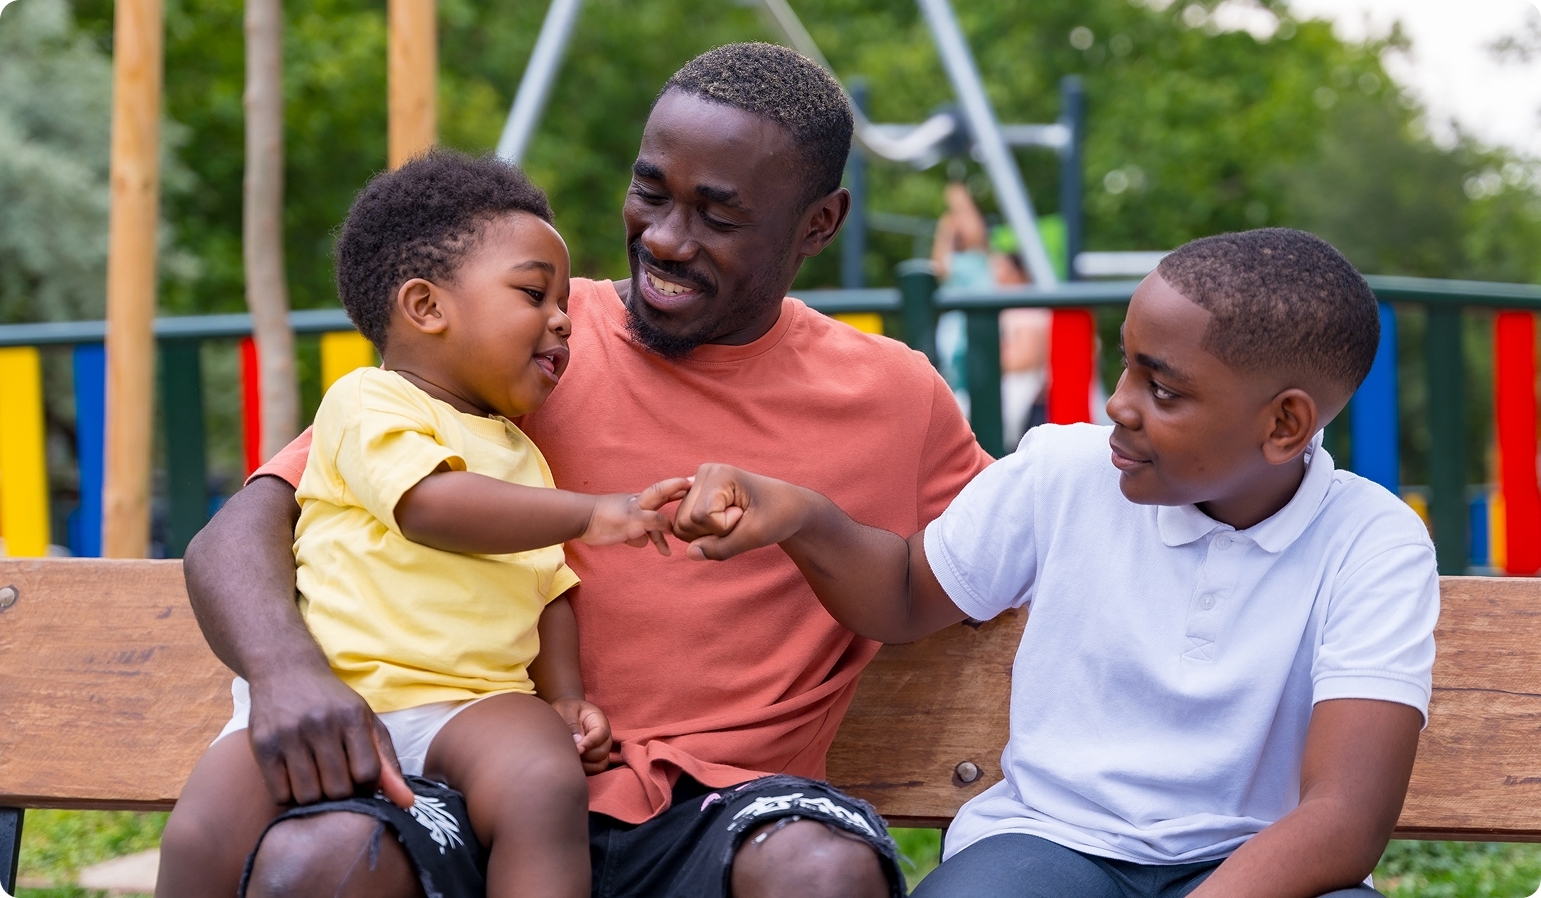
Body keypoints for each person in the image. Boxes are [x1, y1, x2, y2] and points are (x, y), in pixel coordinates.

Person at [166, 42, 992, 898]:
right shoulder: (518, 343)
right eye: (649, 193)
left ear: (817, 225)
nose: (666, 240)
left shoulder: (893, 396)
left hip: (726, 806)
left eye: (717, 216)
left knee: (820, 871)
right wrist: (285, 672)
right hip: (474, 793)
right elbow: (243, 530)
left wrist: (808, 520)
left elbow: (999, 555)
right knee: (320, 864)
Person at [671, 228, 1438, 898]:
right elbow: (903, 594)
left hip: (1252, 865)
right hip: (1049, 843)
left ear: (1284, 424)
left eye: (1163, 389)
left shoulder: (1371, 543)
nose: (1119, 403)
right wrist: (804, 517)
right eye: (1128, 366)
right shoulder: (1062, 474)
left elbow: (1342, 818)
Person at [161, 152, 694, 898]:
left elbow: (548, 589)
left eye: (564, 304)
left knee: (542, 779)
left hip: (472, 703)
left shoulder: (520, 453)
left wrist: (566, 697)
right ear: (425, 307)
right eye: (533, 294)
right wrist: (597, 512)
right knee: (202, 834)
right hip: (333, 694)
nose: (562, 320)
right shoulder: (369, 403)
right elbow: (430, 507)